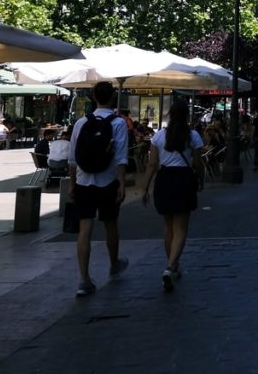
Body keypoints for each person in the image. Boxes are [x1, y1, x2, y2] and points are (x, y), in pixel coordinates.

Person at [69, 81, 130, 297]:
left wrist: (72, 184)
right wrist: (122, 183)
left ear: (94, 97)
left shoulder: (81, 123)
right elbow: (121, 157)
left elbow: (72, 159)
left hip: (84, 182)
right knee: (110, 224)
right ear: (112, 96)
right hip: (108, 181)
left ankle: (84, 279)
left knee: (84, 229)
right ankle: (114, 263)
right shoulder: (119, 123)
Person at [142, 98, 204, 292]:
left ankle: (172, 265)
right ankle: (170, 267)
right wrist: (201, 180)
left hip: (164, 179)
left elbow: (152, 164)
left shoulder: (159, 136)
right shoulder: (193, 136)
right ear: (187, 115)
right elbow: (198, 162)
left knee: (168, 226)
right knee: (181, 227)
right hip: (184, 180)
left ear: (170, 114)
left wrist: (145, 188)